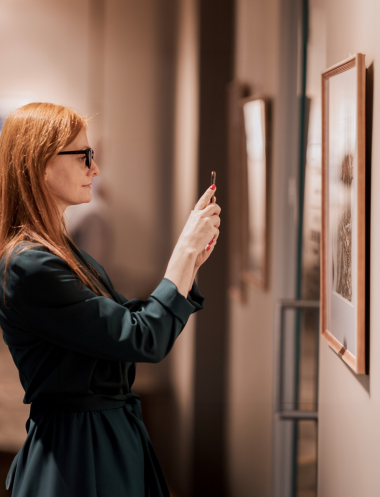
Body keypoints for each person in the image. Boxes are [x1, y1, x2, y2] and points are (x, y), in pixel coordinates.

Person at [0, 102, 221, 497]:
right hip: (79, 453)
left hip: (98, 439)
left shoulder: (57, 251)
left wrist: (188, 265)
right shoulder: (29, 265)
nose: (95, 170)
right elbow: (141, 338)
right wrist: (183, 256)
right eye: (84, 156)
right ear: (40, 164)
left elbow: (127, 321)